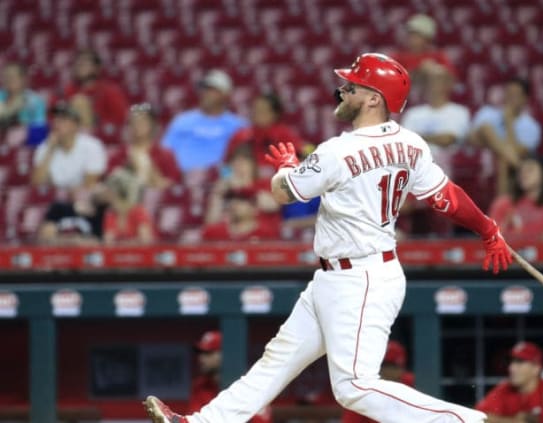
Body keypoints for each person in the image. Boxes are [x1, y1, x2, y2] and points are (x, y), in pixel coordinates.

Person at [144, 52, 512, 423]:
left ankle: (468, 421)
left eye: (353, 86)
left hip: (362, 277)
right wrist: (488, 229)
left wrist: (287, 168)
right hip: (340, 276)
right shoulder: (411, 144)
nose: (343, 91)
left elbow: (282, 193)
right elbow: (446, 197)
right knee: (277, 360)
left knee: (355, 386)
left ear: (374, 98)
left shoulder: (338, 151)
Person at [161, 69, 246, 173]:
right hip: (181, 178)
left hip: (220, 179)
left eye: (212, 90)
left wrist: (225, 177)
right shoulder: (182, 121)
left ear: (225, 95)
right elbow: (165, 152)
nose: (206, 93)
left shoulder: (237, 125)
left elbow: (241, 159)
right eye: (205, 89)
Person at [469, 78, 541, 195]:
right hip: (482, 159)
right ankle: (520, 167)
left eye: (515, 94)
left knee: (504, 161)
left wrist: (509, 123)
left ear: (525, 99)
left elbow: (519, 152)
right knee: (486, 128)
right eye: (508, 93)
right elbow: (471, 139)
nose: (510, 98)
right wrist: (495, 147)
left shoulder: (531, 126)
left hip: (508, 167)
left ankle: (500, 208)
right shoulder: (487, 112)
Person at [400, 62, 470, 175]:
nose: (432, 84)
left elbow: (448, 139)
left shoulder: (460, 112)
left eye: (438, 79)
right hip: (413, 164)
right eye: (428, 80)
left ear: (449, 83)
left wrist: (418, 137)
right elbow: (404, 141)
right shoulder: (412, 114)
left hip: (445, 166)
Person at [476, 342, 543, 423]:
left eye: (519, 362)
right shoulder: (505, 388)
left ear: (536, 368)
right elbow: (477, 417)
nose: (511, 368)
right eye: (511, 362)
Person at [189, 331, 271, 423]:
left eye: (208, 353)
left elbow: (261, 420)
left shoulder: (249, 384)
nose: (201, 358)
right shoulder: (200, 385)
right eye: (201, 353)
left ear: (226, 355)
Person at [223, 93, 305, 181]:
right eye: (255, 109)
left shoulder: (286, 136)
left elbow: (299, 164)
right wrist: (228, 178)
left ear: (275, 114)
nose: (257, 113)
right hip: (244, 185)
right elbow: (225, 166)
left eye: (263, 110)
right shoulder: (241, 135)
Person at [488, 155, 543, 239]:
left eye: (530, 170)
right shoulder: (503, 204)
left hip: (540, 251)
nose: (524, 174)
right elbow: (493, 238)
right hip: (506, 251)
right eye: (521, 171)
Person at [31, 102, 106, 190]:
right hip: (54, 200)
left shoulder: (92, 146)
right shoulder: (44, 147)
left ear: (75, 125)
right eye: (55, 119)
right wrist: (50, 150)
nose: (57, 123)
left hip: (83, 199)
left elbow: (90, 183)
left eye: (63, 119)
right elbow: (36, 183)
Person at [107, 103, 181, 189]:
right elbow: (111, 181)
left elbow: (172, 183)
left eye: (142, 121)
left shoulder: (166, 154)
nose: (137, 125)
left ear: (152, 125)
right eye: (133, 122)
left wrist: (149, 169)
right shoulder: (119, 154)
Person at [341, 340, 416, 423]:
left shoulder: (413, 384)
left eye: (390, 366)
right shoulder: (363, 392)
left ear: (401, 368)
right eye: (381, 366)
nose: (385, 371)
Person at [64, 49, 129, 143]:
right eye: (78, 64)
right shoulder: (69, 91)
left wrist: (97, 125)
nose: (80, 66)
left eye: (85, 63)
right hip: (73, 138)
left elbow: (121, 118)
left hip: (102, 138)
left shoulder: (109, 91)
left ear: (96, 67)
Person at [102, 168, 155, 245]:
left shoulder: (139, 211)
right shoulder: (110, 214)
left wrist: (121, 245)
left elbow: (145, 241)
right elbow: (108, 242)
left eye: (109, 192)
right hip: (118, 255)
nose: (106, 196)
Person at [0, 62, 47, 143]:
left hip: (23, 146)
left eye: (13, 76)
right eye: (6, 76)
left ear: (23, 79)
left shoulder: (35, 101)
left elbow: (40, 129)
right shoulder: (1, 96)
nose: (9, 79)